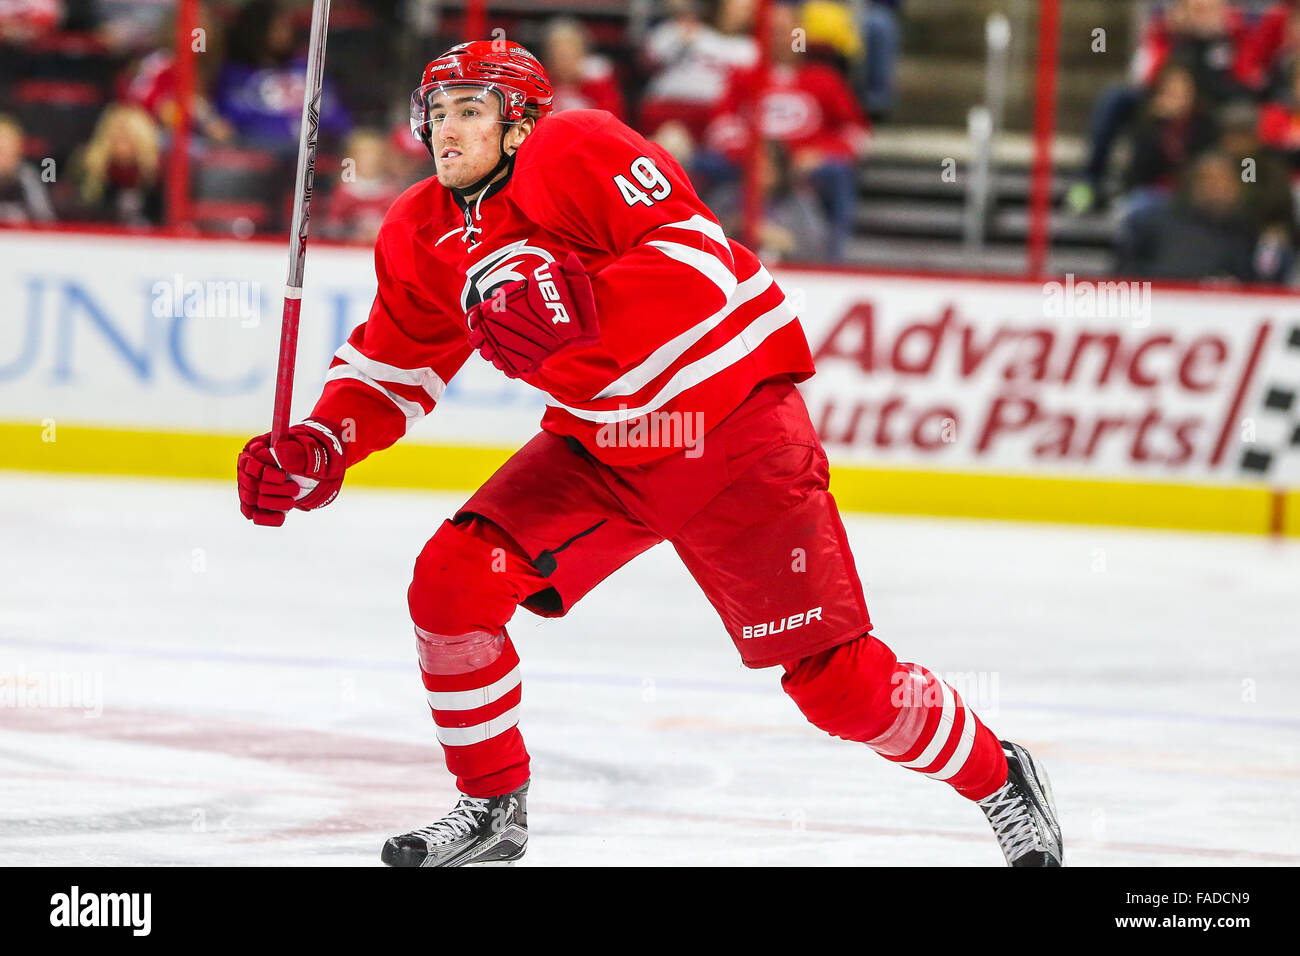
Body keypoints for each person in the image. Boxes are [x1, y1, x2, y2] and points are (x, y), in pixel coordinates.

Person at [235, 41, 1063, 868]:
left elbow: (698, 259)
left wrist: (583, 307)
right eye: (437, 113)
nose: (446, 130)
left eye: (471, 110)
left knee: (836, 686)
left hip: (731, 429)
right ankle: (491, 808)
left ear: (520, 123)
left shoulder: (580, 147)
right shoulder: (421, 229)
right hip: (603, 445)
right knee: (451, 585)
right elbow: (394, 365)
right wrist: (320, 445)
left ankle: (999, 778)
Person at [0, 114, 56, 223]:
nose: (5, 159)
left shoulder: (27, 177)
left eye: (11, 152)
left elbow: (46, 221)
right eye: (1, 151)